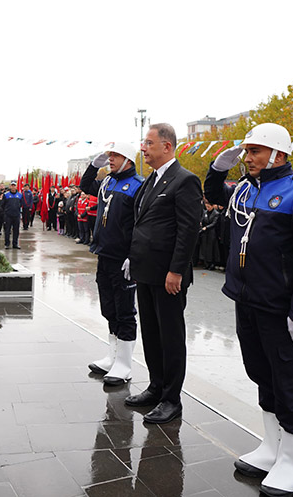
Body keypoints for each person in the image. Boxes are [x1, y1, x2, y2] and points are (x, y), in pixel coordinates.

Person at [204, 123, 293, 497]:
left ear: (278, 153)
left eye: (255, 151)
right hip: (248, 299)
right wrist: (216, 170)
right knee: (261, 372)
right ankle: (271, 446)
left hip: (280, 308)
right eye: (246, 151)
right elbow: (213, 196)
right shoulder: (245, 188)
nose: (248, 157)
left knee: (288, 381)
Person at [124, 123, 201, 425]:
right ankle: (156, 388)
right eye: (144, 143)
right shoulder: (149, 182)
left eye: (149, 143)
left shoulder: (185, 181)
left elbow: (187, 231)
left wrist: (176, 271)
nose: (143, 148)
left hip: (169, 276)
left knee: (170, 337)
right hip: (146, 272)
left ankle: (172, 399)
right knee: (152, 335)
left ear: (167, 146)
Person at [80, 141, 144, 387]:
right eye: (109, 156)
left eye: (115, 156)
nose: (111, 160)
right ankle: (113, 356)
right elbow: (85, 186)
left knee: (125, 311)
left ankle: (125, 364)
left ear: (128, 159)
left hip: (123, 259)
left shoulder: (137, 185)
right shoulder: (108, 182)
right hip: (104, 254)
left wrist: (134, 254)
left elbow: (141, 223)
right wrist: (93, 166)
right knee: (109, 308)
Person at [2, 181, 23, 249]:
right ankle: (7, 244)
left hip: (16, 215)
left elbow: (21, 204)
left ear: (16, 186)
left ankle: (15, 244)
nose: (13, 187)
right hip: (8, 216)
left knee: (16, 230)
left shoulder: (19, 195)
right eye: (12, 186)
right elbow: (3, 204)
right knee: (7, 230)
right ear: (10, 186)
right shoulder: (6, 195)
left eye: (14, 186)